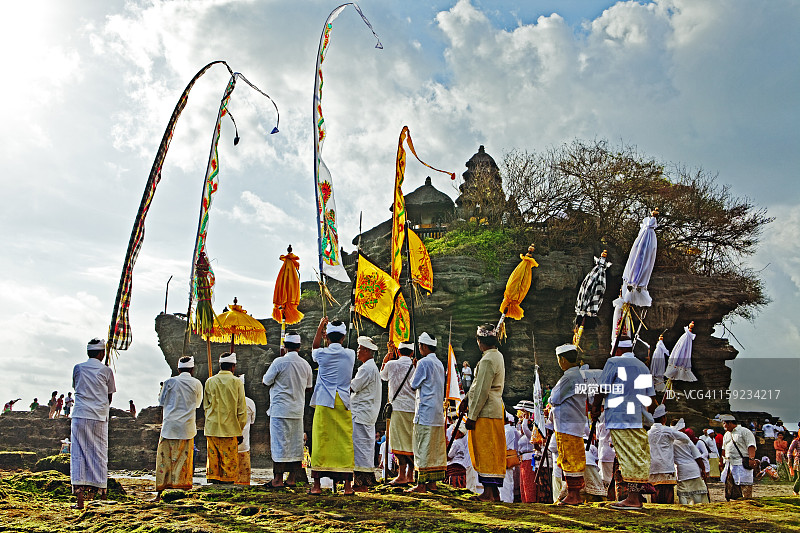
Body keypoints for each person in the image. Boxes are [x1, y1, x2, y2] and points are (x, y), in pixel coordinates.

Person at [591, 337, 656, 510]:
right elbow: (650, 397)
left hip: (619, 417)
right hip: (637, 417)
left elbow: (603, 388)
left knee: (627, 456)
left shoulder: (614, 362)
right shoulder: (643, 366)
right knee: (637, 454)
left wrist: (595, 407)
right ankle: (636, 496)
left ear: (617, 349)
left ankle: (633, 498)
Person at [459, 323, 506, 502]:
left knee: (486, 451)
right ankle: (494, 492)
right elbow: (477, 386)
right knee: (492, 449)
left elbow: (482, 390)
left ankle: (488, 493)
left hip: (485, 412)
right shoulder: (497, 356)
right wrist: (466, 399)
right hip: (493, 410)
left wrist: (472, 416)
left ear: (479, 341)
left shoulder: (487, 360)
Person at [309, 318, 356, 495]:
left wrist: (320, 326)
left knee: (321, 440)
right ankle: (348, 487)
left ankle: (316, 486)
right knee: (344, 441)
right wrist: (327, 336)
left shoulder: (322, 354)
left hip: (324, 400)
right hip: (342, 400)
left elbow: (314, 348)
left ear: (327, 337)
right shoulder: (350, 354)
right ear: (343, 338)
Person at [262, 331, 313, 488]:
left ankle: (277, 479)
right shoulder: (305, 364)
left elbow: (266, 381)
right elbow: (309, 387)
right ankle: (292, 478)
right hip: (297, 410)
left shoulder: (279, 362)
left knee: (279, 445)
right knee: (296, 446)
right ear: (299, 346)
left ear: (285, 346)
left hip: (280, 410)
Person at [70, 338, 116, 509]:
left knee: (78, 455)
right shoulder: (106, 370)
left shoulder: (78, 368)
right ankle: (101, 496)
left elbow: (77, 387)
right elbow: (109, 397)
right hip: (98, 416)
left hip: (80, 414)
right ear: (102, 353)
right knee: (99, 454)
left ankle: (80, 500)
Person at [154, 355, 203, 500]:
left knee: (164, 460)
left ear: (178, 369)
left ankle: (161, 492)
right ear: (192, 369)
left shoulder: (169, 382)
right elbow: (198, 404)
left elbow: (161, 401)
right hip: (186, 427)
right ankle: (181, 490)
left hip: (169, 426)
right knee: (183, 461)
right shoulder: (197, 383)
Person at [548, 344, 588, 506]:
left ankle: (573, 495)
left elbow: (554, 398)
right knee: (574, 458)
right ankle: (573, 494)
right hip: (575, 424)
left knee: (568, 458)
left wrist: (549, 399)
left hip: (566, 425)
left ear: (562, 360)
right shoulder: (580, 375)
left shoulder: (569, 377)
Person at [408, 332, 447, 494]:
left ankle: (421, 485)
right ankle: (432, 483)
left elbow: (413, 384)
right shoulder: (439, 363)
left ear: (423, 346)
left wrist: (416, 367)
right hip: (437, 413)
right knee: (434, 450)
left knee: (422, 447)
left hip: (424, 412)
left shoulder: (424, 363)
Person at [203, 352, 247, 484]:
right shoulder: (237, 382)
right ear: (233, 366)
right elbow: (241, 409)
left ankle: (213, 482)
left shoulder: (210, 381)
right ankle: (227, 484)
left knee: (213, 461)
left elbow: (206, 406)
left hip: (212, 427)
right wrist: (240, 430)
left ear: (220, 365)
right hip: (230, 429)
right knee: (229, 463)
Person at [380, 341, 416, 485]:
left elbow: (382, 376)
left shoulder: (391, 364)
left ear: (399, 352)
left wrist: (386, 359)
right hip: (413, 408)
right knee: (412, 442)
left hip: (398, 407)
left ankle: (402, 475)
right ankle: (410, 474)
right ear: (412, 353)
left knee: (399, 442)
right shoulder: (416, 366)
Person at [350, 336, 381, 491]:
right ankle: (366, 478)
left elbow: (353, 387)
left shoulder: (366, 369)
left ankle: (361, 481)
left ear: (367, 351)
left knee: (360, 446)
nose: (357, 351)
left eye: (360, 348)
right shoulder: (371, 367)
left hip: (361, 412)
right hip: (366, 412)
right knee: (366, 446)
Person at [647, 405, 687, 504]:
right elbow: (684, 438)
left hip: (653, 465)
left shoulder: (649, 432)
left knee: (654, 489)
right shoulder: (667, 430)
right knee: (667, 490)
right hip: (666, 465)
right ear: (663, 418)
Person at [719, 414, 757, 499]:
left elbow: (751, 445)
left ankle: (747, 502)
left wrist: (751, 458)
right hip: (730, 464)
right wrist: (721, 461)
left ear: (729, 423)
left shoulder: (744, 431)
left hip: (741, 463)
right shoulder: (726, 434)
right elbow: (724, 448)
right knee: (730, 487)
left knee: (745, 487)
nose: (723, 426)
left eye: (724, 423)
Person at [674, 428, 709, 504]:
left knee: (683, 493)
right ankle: (699, 507)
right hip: (694, 470)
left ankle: (685, 508)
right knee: (697, 491)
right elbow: (697, 457)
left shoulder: (671, 442)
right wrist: (703, 469)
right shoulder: (687, 441)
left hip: (681, 470)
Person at [513, 400, 537, 503]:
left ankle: (530, 501)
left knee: (529, 483)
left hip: (529, 459)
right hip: (522, 460)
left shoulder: (531, 434)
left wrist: (526, 418)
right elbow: (520, 429)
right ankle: (525, 502)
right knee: (523, 484)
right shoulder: (522, 435)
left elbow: (526, 429)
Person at [235, 375, 256, 486]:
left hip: (230, 441)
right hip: (244, 442)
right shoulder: (250, 402)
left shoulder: (227, 402)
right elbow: (252, 421)